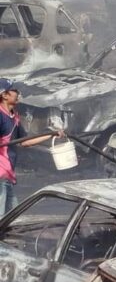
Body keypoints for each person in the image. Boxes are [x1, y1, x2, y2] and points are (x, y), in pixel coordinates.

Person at [0, 79, 63, 214]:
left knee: (13, 216)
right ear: (4, 95)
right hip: (1, 174)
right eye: (14, 90)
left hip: (7, 173)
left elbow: (25, 141)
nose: (18, 93)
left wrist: (51, 135)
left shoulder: (14, 116)